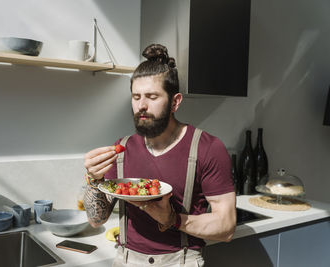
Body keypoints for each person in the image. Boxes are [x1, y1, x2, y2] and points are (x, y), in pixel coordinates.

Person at [83, 44, 236, 267]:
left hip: (181, 261)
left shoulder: (207, 148)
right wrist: (94, 180)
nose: (141, 106)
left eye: (152, 97)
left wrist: (173, 220)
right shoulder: (122, 149)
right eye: (136, 97)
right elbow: (96, 220)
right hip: (126, 260)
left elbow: (227, 226)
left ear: (175, 102)